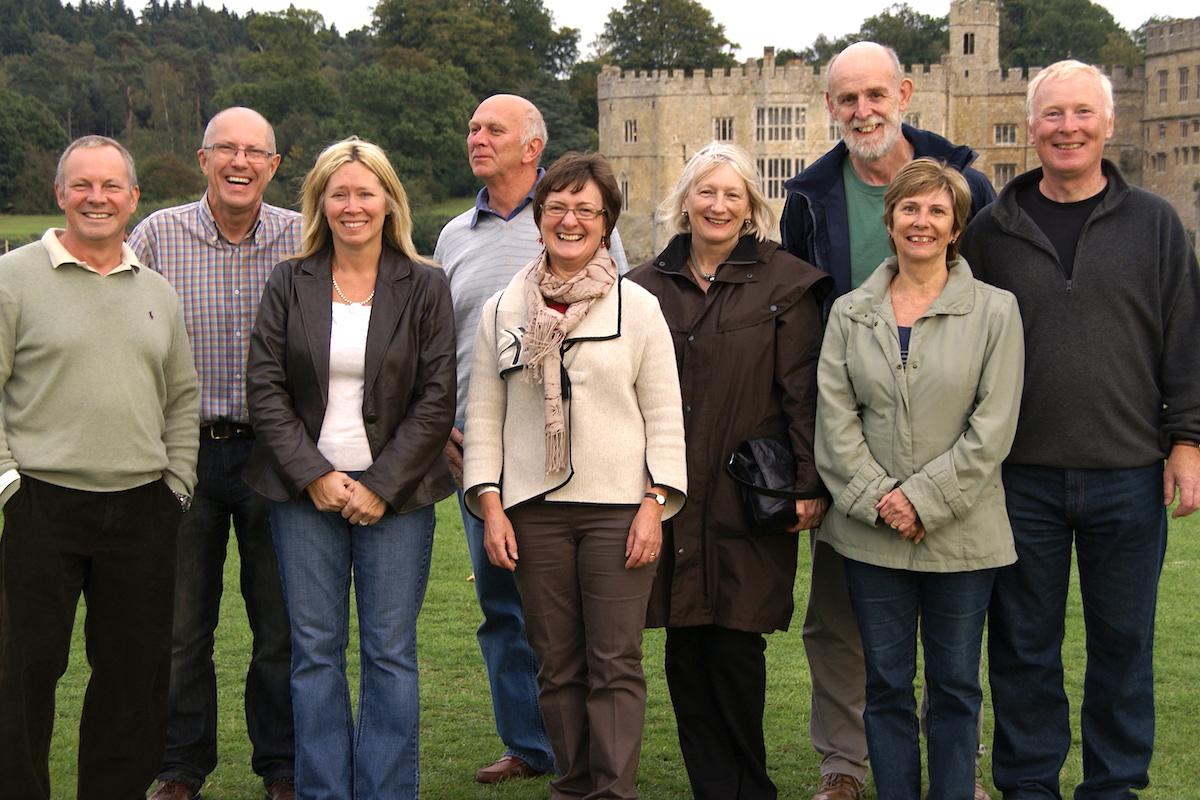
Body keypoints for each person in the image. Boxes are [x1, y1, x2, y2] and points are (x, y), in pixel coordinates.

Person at [959, 60, 1200, 799]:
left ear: (1110, 123)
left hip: (1128, 471)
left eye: (1082, 114)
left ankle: (1113, 786)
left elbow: (1185, 339)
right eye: (1053, 115)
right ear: (1030, 128)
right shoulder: (990, 231)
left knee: (1123, 647)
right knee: (1025, 648)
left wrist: (1186, 441)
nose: (1068, 128)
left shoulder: (1154, 223)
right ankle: (1029, 785)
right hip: (1019, 476)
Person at [779, 40, 996, 800]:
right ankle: (844, 763)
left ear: (904, 92)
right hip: (852, 454)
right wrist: (836, 470)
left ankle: (954, 771)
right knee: (838, 624)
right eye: (847, 99)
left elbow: (989, 324)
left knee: (951, 639)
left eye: (875, 94)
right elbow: (801, 331)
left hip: (947, 443)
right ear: (830, 106)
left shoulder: (964, 183)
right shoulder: (808, 197)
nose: (863, 111)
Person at [462, 151, 686, 800]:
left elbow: (665, 414)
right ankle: (574, 783)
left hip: (620, 509)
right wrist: (491, 505)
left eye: (586, 209)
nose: (570, 220)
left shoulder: (638, 308)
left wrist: (655, 502)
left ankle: (613, 791)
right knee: (556, 663)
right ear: (538, 218)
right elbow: (484, 417)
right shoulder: (503, 310)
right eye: (557, 207)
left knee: (614, 662)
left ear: (606, 221)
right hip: (532, 512)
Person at [243, 137, 456, 799]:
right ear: (320, 202)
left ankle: (387, 791)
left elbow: (436, 396)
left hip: (397, 497)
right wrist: (313, 474)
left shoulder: (424, 284)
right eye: (340, 193)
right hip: (304, 496)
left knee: (389, 652)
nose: (353, 205)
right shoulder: (289, 281)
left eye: (366, 192)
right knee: (314, 654)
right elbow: (266, 389)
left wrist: (381, 486)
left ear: (390, 201)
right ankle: (324, 791)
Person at [626, 142, 831, 800]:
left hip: (751, 492)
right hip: (671, 493)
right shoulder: (643, 287)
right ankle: (716, 788)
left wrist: (808, 481)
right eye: (705, 191)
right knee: (685, 649)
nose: (718, 205)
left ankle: (749, 787)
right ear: (685, 199)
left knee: (737, 648)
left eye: (731, 195)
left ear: (751, 208)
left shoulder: (786, 283)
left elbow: (801, 391)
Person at [434, 93, 628, 785]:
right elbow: (441, 347)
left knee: (571, 609)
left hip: (569, 458)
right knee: (501, 608)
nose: (476, 138)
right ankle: (530, 744)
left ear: (531, 148)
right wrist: (443, 433)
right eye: (472, 127)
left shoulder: (577, 226)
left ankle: (583, 745)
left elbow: (619, 331)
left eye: (493, 129)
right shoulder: (455, 236)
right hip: (478, 452)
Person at [815, 157, 1023, 800]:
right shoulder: (850, 313)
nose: (922, 222)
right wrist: (883, 500)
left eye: (937, 211)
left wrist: (924, 501)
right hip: (872, 534)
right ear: (890, 219)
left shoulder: (995, 311)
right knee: (886, 684)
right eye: (910, 209)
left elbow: (994, 424)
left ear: (957, 226)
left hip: (962, 534)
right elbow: (834, 417)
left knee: (957, 686)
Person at [0, 135, 199, 800]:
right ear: (59, 194)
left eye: (111, 187)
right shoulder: (14, 278)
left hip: (143, 505)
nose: (97, 198)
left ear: (133, 199)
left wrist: (177, 485)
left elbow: (182, 397)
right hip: (41, 503)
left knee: (133, 677)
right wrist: (7, 486)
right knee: (22, 672)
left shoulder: (158, 291)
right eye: (82, 185)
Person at [130, 106, 298, 800]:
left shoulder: (299, 237)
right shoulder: (159, 236)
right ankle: (179, 767)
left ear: (274, 165)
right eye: (225, 149)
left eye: (254, 151)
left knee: (280, 626)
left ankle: (283, 765)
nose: (240, 162)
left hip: (275, 456)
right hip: (183, 454)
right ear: (202, 159)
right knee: (181, 626)